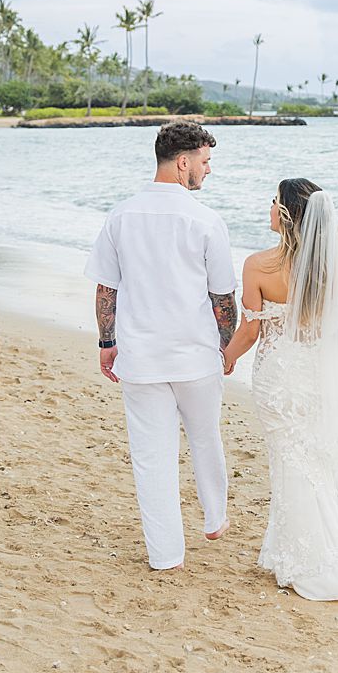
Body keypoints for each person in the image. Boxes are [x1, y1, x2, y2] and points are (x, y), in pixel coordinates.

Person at [84, 121, 239, 571]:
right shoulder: (205, 220)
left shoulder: (121, 215)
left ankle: (165, 555)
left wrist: (107, 343)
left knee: (152, 459)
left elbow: (105, 289)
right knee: (206, 437)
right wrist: (226, 346)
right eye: (205, 162)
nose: (208, 171)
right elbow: (223, 296)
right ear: (183, 161)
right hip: (195, 356)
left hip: (142, 358)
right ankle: (215, 518)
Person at [223, 178, 338, 600]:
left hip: (279, 377)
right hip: (318, 376)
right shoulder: (334, 264)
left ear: (287, 213)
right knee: (317, 458)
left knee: (290, 463)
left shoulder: (258, 265)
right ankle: (314, 548)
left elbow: (250, 332)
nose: (269, 207)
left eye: (274, 201)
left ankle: (310, 558)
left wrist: (225, 357)